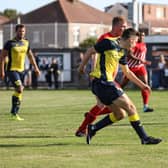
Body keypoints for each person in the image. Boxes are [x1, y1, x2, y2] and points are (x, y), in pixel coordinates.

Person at [79, 28, 162, 145]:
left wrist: (143, 85)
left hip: (105, 85)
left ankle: (93, 129)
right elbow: (90, 51)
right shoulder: (108, 42)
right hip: (102, 82)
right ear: (130, 39)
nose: (134, 45)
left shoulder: (122, 51)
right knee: (131, 108)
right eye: (134, 42)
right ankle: (144, 138)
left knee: (120, 114)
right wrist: (81, 67)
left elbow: (127, 72)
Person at [75, 16, 127, 137]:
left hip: (111, 79)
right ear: (115, 26)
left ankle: (90, 116)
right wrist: (93, 73)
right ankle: (82, 129)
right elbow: (95, 54)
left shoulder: (120, 40)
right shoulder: (105, 38)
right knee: (102, 105)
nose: (124, 28)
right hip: (100, 78)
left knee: (116, 106)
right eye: (123, 26)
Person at [0, 24, 40, 120]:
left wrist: (36, 68)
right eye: (19, 31)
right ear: (16, 31)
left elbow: (30, 56)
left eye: (23, 31)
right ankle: (14, 113)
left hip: (22, 71)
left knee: (19, 91)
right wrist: (2, 71)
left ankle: (14, 113)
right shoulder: (9, 43)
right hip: (12, 70)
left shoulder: (26, 42)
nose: (21, 33)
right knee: (20, 88)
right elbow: (2, 58)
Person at [120, 31, 154, 113]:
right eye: (140, 35)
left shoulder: (144, 44)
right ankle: (112, 101)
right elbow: (129, 55)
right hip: (131, 67)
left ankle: (145, 106)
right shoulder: (134, 44)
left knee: (145, 85)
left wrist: (142, 62)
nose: (142, 37)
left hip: (140, 67)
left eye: (143, 35)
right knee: (121, 86)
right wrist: (140, 60)